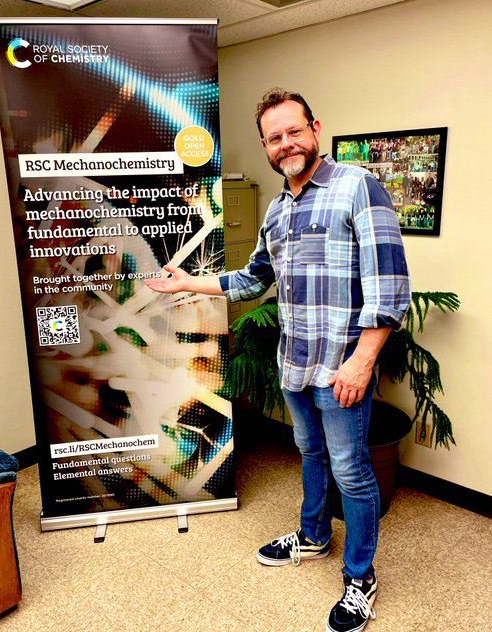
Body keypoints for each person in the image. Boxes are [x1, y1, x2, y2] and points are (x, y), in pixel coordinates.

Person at [146, 88, 411, 632]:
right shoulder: (276, 209)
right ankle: (314, 537)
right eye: (274, 137)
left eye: (294, 131)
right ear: (264, 146)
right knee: (311, 455)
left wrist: (361, 362)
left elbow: (390, 287)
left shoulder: (358, 187)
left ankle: (360, 577)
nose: (285, 144)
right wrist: (188, 282)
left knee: (353, 473)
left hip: (340, 369)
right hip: (296, 365)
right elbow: (253, 277)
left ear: (316, 128)